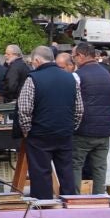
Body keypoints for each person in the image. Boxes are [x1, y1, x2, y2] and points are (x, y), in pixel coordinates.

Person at [15, 45, 81, 200]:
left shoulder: (33, 79)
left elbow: (24, 109)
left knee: (40, 173)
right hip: (64, 132)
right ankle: (70, 203)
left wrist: (26, 130)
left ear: (37, 60)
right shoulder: (70, 78)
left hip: (39, 133)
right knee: (66, 172)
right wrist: (72, 127)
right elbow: (79, 109)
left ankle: (44, 206)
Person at [69, 42, 110, 194]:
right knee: (100, 167)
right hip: (104, 129)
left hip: (83, 129)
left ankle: (74, 198)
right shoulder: (106, 73)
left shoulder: (78, 76)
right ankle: (99, 197)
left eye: (74, 56)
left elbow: (73, 102)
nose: (73, 60)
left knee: (75, 165)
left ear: (81, 56)